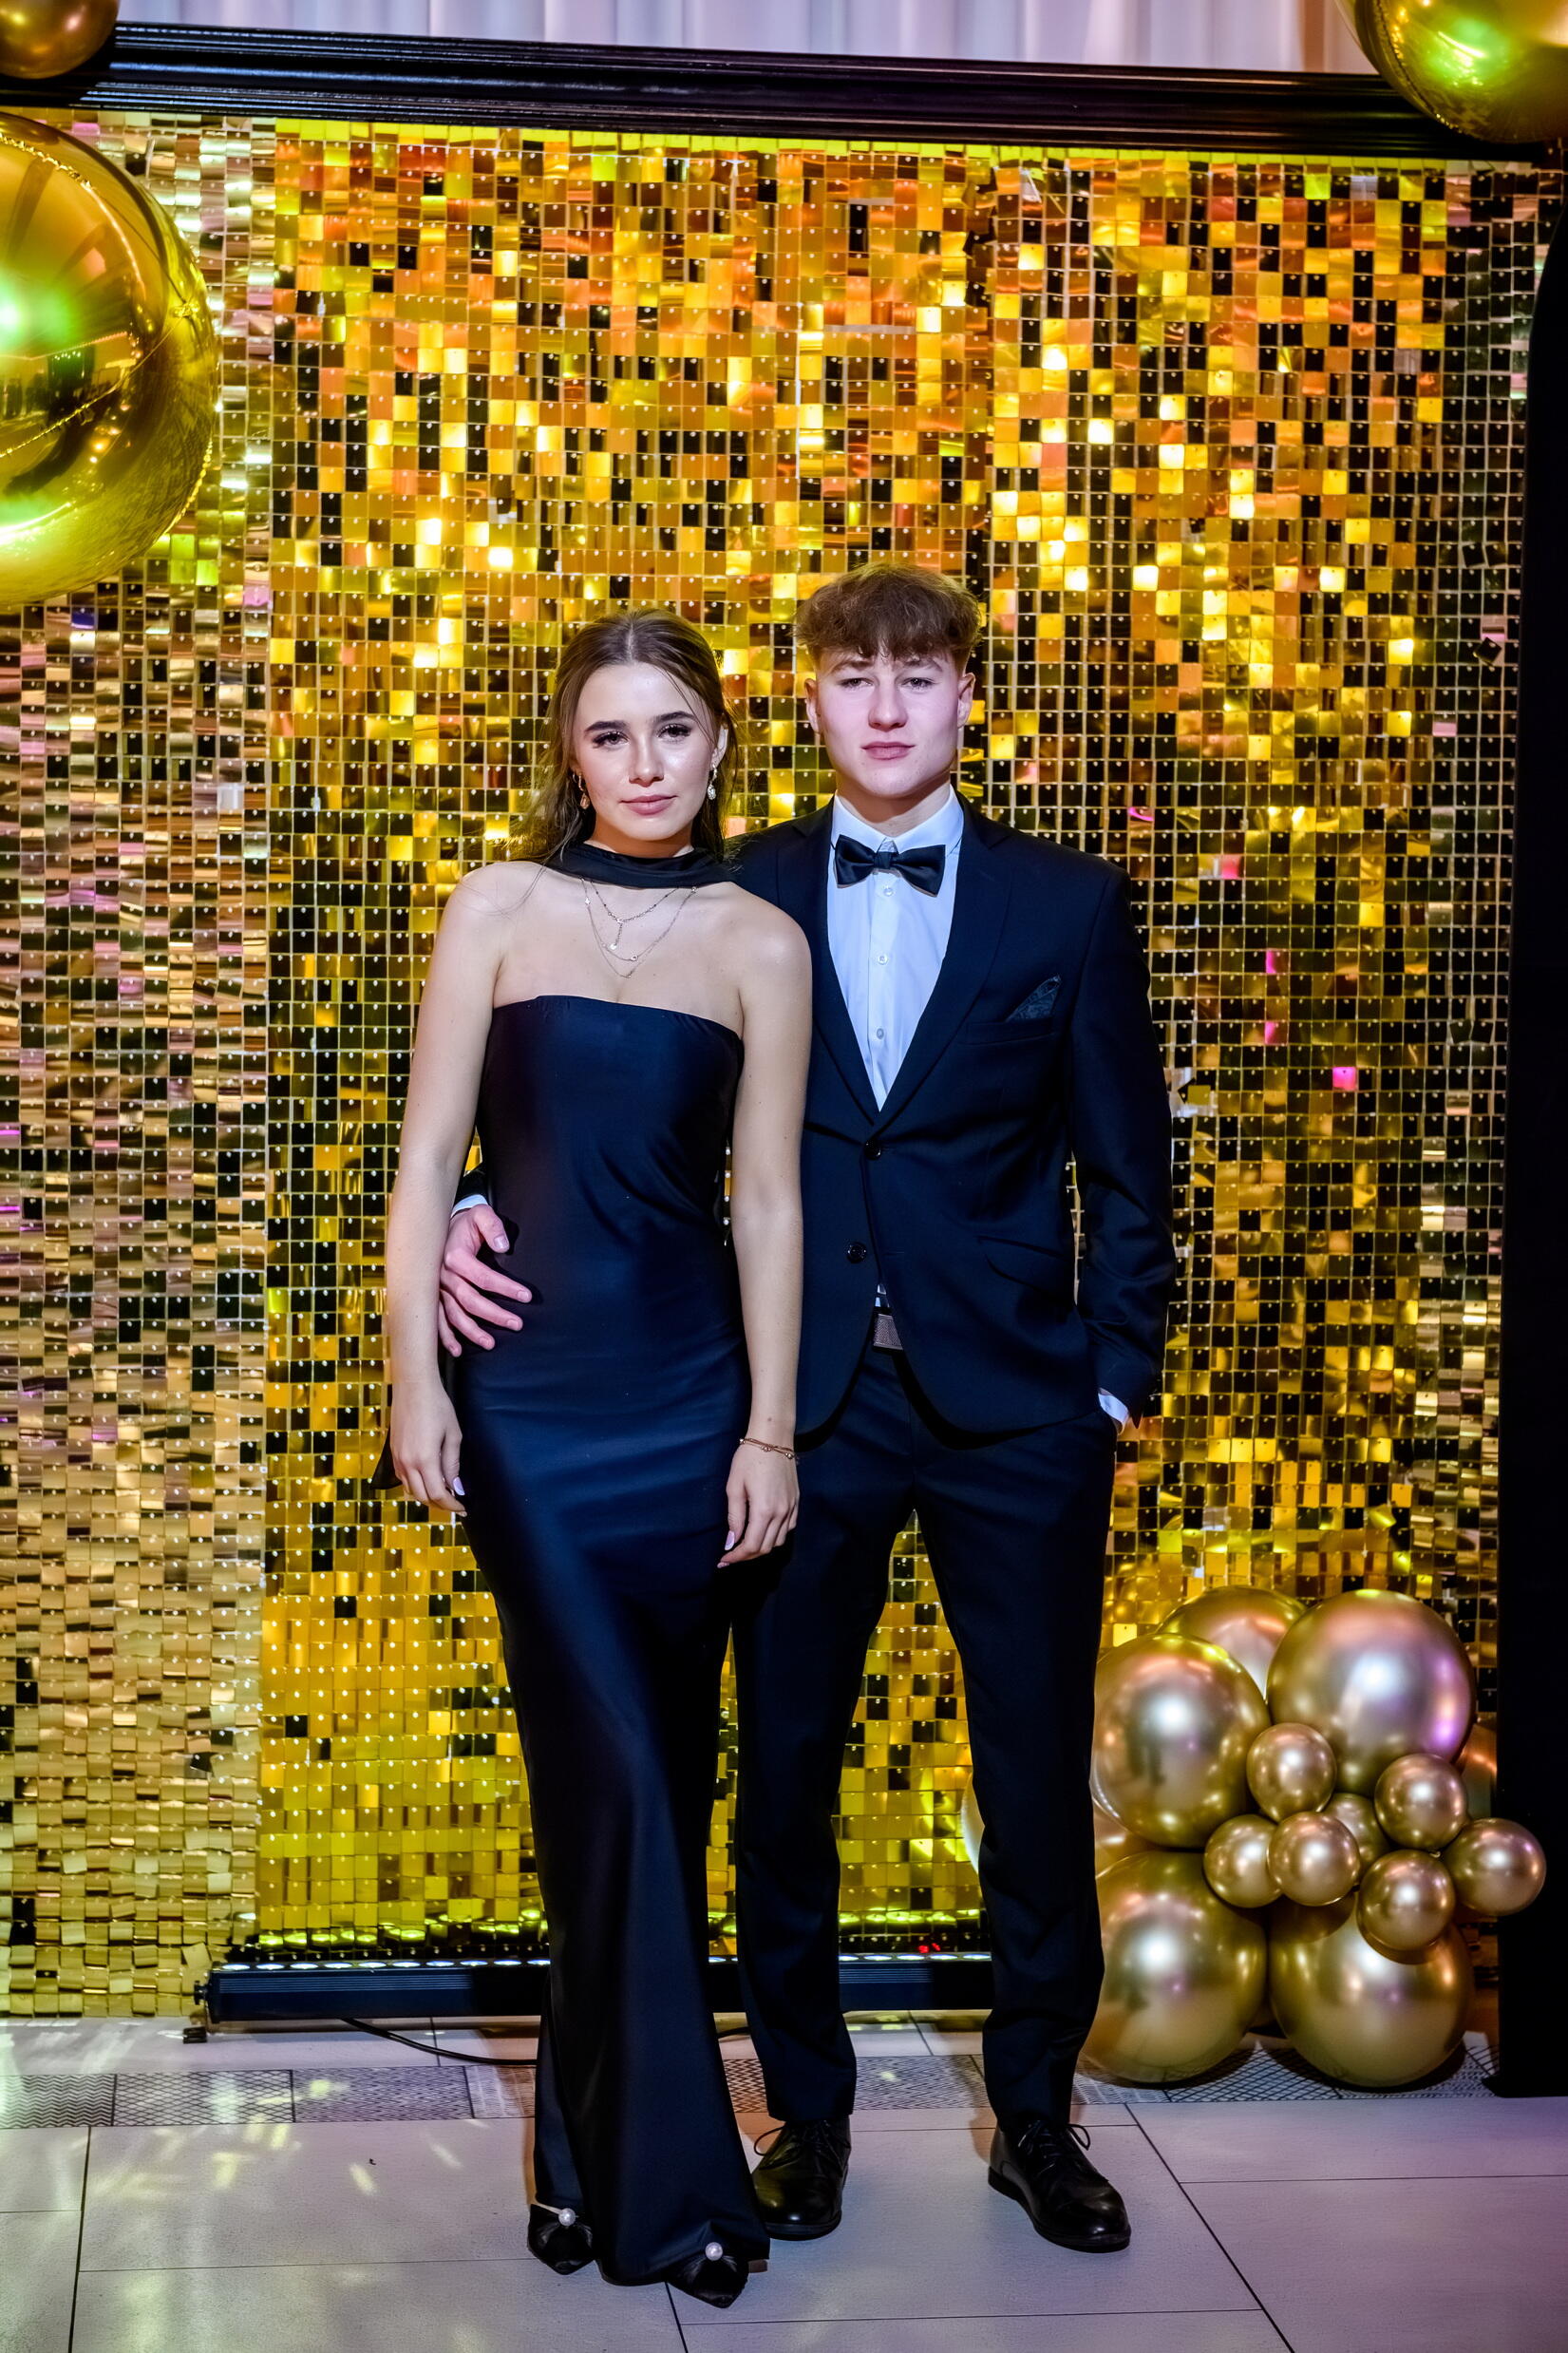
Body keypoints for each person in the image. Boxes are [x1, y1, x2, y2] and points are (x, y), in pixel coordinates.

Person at [438, 561, 1176, 2258]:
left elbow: (1131, 1161)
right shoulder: (732, 888)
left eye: (919, 677)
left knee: (1033, 1772)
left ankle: (1039, 2116)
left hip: (1017, 1409)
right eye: (855, 677)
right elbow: (605, 1096)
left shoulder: (1070, 905)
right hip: (791, 1404)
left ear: (969, 696)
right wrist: (479, 1201)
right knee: (779, 1774)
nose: (888, 706)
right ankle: (808, 2117)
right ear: (810, 703)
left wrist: (1110, 1375)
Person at [383, 609, 812, 2309]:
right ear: (571, 752)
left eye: (674, 729)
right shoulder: (495, 906)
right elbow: (428, 1161)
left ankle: (574, 2159)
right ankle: (680, 2191)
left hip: (691, 1398)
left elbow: (767, 1202)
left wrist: (769, 1426)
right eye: (612, 732)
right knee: (621, 1773)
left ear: (719, 745)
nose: (644, 762)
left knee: (639, 1789)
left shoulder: (760, 939)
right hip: (534, 1408)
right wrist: (413, 1378)